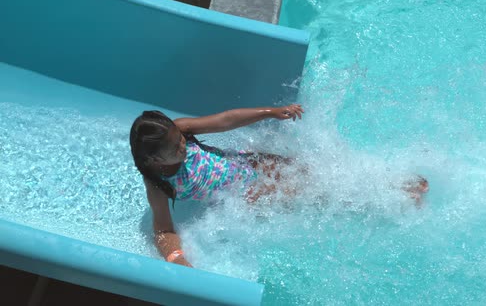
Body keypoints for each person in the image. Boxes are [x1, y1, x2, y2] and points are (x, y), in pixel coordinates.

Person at [129, 104, 428, 268]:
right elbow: (164, 229)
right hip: (249, 195)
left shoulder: (179, 128)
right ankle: (392, 202)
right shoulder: (158, 184)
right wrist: (176, 258)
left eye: (180, 139)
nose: (182, 144)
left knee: (319, 173)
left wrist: (269, 112)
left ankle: (391, 182)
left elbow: (224, 119)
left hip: (254, 163)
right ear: (155, 160)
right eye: (175, 147)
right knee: (320, 195)